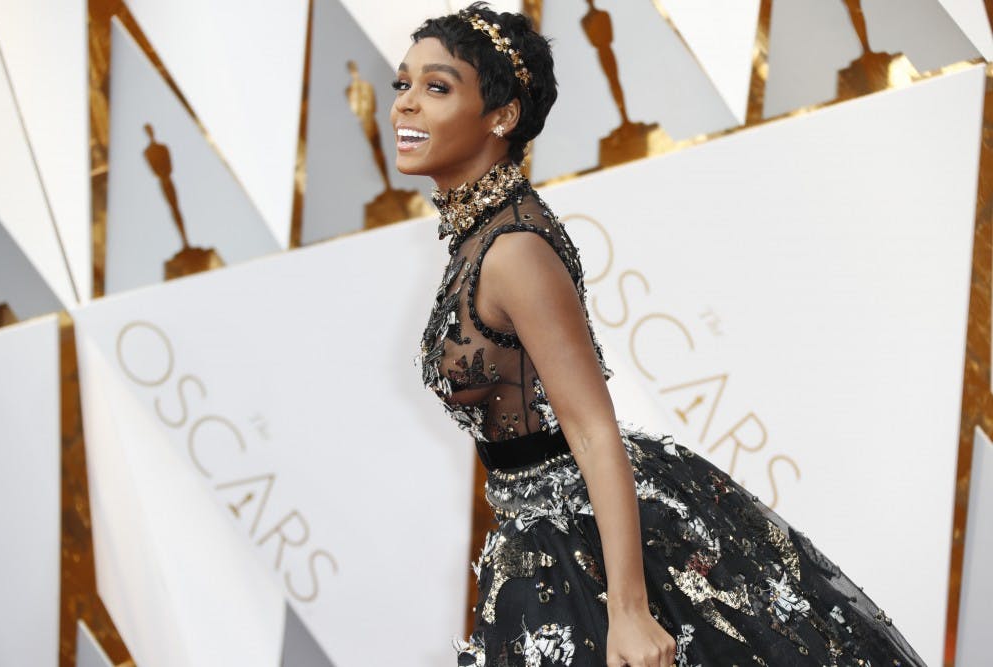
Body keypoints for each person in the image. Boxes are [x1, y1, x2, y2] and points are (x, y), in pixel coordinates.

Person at [392, 4, 925, 666]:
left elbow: (592, 428)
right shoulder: (481, 236)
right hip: (541, 540)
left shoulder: (512, 251)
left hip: (586, 547)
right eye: (402, 85)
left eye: (435, 87)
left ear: (501, 116)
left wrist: (628, 612)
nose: (405, 106)